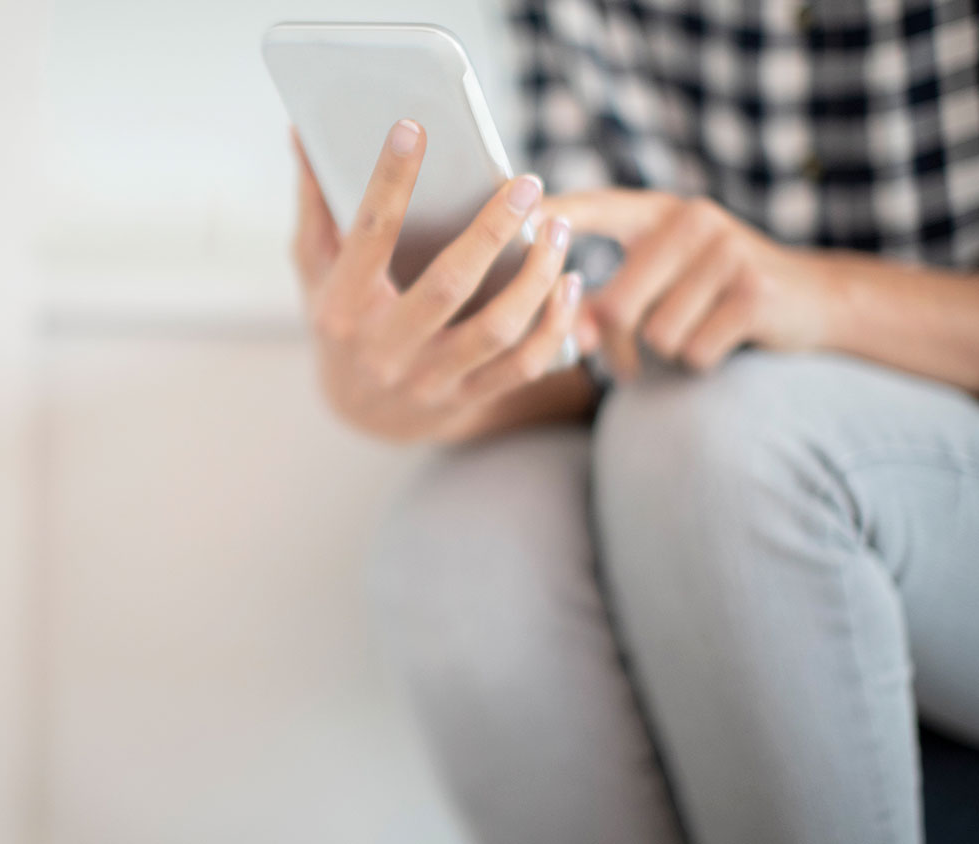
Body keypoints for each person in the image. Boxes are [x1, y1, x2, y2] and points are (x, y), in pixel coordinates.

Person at [287, 2, 979, 843]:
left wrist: (819, 295)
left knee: (722, 440)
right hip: (681, 411)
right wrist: (400, 388)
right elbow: (596, 339)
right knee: (456, 544)